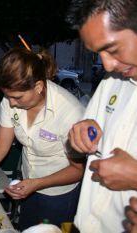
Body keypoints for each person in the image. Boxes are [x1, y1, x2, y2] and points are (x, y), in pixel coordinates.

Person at [0, 47, 85, 230]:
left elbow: (78, 170)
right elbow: (0, 146)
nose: (11, 103)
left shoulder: (69, 112)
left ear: (38, 87)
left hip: (59, 193)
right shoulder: (10, 99)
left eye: (17, 97)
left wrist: (37, 184)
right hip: (28, 185)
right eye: (8, 97)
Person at [66, 0, 137, 232]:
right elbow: (77, 149)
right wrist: (77, 137)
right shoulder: (112, 81)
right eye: (99, 53)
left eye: (114, 49)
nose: (107, 65)